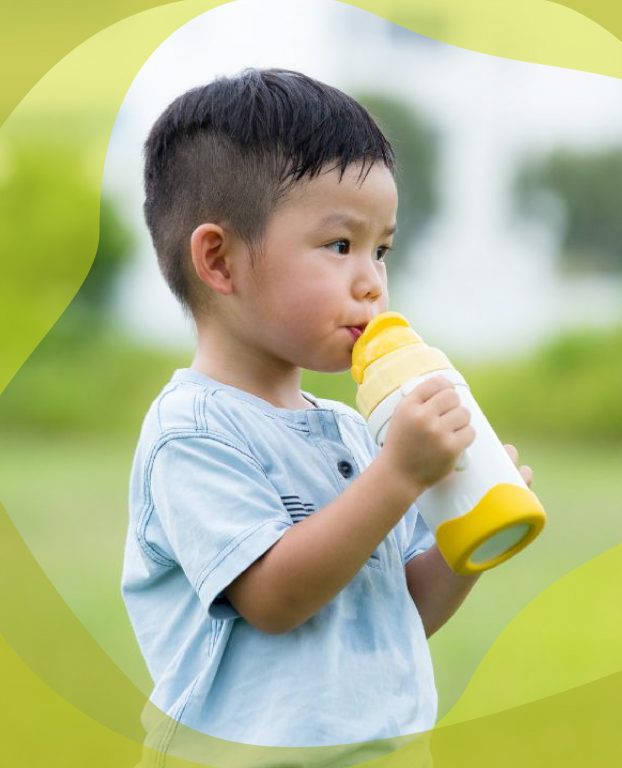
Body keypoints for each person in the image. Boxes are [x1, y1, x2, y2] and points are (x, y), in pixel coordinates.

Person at [120, 67, 533, 764]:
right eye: (341, 246)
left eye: (382, 250)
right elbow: (275, 599)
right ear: (220, 261)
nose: (371, 281)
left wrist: (469, 539)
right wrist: (398, 476)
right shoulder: (193, 431)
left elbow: (397, 611)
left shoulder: (350, 431)